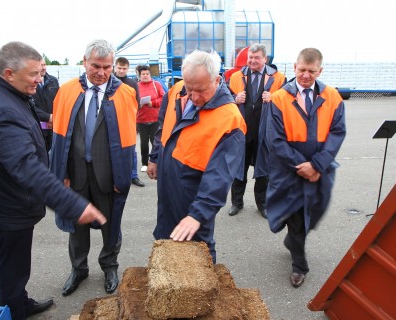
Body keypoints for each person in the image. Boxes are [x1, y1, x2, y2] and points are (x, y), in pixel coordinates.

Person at [0, 41, 106, 320]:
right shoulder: (1, 109)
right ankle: (15, 311)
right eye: (33, 75)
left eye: (40, 73)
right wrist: (73, 204)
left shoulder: (5, 94)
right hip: (7, 209)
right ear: (8, 73)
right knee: (12, 269)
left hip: (8, 203)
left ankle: (19, 300)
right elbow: (25, 166)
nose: (39, 80)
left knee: (15, 266)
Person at [51, 39, 137, 296]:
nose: (101, 73)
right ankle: (78, 269)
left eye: (107, 67)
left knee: (111, 225)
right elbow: (59, 137)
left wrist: (123, 174)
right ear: (84, 62)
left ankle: (110, 266)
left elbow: (129, 140)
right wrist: (63, 174)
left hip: (108, 174)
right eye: (96, 66)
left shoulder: (125, 93)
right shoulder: (66, 91)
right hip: (75, 174)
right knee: (77, 225)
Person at [255, 48, 346, 288]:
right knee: (296, 217)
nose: (306, 75)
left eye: (311, 71)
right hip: (288, 169)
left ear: (320, 71)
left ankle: (292, 241)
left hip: (320, 169)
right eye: (302, 70)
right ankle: (299, 265)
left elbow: (337, 132)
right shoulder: (279, 98)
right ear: (294, 67)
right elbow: (275, 139)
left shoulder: (332, 97)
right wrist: (301, 165)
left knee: (313, 213)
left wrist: (317, 165)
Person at [147, 50, 246, 263]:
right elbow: (163, 126)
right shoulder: (176, 91)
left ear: (217, 80)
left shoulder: (230, 119)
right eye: (189, 88)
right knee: (166, 238)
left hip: (195, 194)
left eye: (200, 90)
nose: (193, 96)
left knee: (199, 249)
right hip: (167, 184)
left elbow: (220, 176)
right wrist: (155, 157)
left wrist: (198, 214)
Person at [227, 43, 286, 218]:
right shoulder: (236, 77)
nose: (253, 61)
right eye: (250, 58)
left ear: (265, 59)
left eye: (257, 58)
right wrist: (234, 98)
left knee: (264, 171)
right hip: (241, 132)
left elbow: (289, 101)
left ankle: (263, 205)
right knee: (239, 169)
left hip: (265, 132)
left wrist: (274, 98)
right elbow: (223, 98)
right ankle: (236, 203)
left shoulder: (278, 78)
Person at [114, 56, 145, 187]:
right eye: (119, 68)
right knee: (113, 150)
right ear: (115, 67)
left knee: (132, 149)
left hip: (128, 121)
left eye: (124, 68)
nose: (121, 71)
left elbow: (137, 102)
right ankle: (114, 177)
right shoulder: (108, 81)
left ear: (128, 69)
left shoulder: (132, 84)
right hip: (112, 121)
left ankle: (133, 176)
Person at [136, 65, 165, 172]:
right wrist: (138, 104)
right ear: (139, 75)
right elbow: (132, 101)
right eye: (143, 74)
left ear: (150, 74)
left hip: (155, 118)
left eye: (147, 74)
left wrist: (152, 103)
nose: (145, 76)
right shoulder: (136, 86)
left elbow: (163, 99)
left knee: (155, 142)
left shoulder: (156, 84)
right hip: (141, 119)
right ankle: (144, 163)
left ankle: (156, 161)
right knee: (143, 143)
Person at [32, 58, 59, 151]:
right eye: (41, 65)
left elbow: (59, 101)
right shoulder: (30, 83)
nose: (43, 68)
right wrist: (48, 117)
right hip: (38, 129)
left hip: (54, 127)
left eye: (44, 65)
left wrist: (55, 117)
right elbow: (29, 106)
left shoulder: (53, 81)